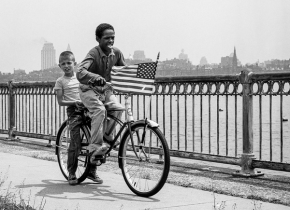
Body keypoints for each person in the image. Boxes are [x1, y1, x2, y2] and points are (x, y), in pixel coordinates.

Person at [76, 23, 125, 174]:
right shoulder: (93, 53)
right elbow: (80, 72)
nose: (111, 41)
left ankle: (107, 137)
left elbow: (124, 71)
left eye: (113, 38)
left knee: (118, 108)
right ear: (98, 39)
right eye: (107, 38)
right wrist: (95, 77)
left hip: (105, 91)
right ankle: (95, 148)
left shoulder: (116, 53)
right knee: (99, 110)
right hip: (89, 89)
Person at [54, 51, 103, 185]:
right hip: (74, 111)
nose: (66, 66)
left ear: (75, 64)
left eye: (69, 63)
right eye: (63, 64)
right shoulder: (60, 81)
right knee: (75, 142)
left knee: (96, 137)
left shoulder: (80, 78)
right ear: (60, 66)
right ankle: (71, 172)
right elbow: (60, 102)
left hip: (87, 108)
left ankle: (92, 171)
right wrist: (75, 102)